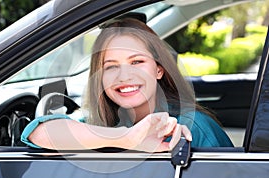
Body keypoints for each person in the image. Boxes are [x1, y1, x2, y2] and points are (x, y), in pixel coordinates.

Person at [21, 17, 233, 152]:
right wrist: (128, 138)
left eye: (137, 62)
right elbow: (37, 132)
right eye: (111, 66)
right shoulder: (102, 120)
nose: (124, 76)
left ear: (159, 69)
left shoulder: (194, 127)